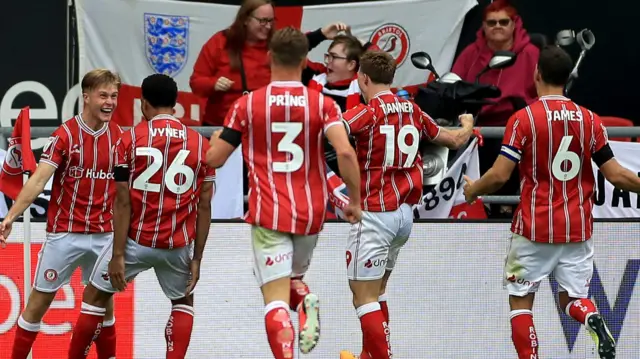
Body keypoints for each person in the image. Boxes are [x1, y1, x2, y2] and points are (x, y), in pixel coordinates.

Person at [462, 46, 640, 359]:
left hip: (533, 227)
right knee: (572, 299)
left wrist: (474, 189)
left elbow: (500, 175)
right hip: (576, 228)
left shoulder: (523, 120)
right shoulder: (591, 121)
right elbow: (617, 176)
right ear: (568, 78)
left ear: (537, 74)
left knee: (521, 302)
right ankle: (591, 317)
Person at [206, 27, 361, 359]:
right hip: (311, 213)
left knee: (273, 295)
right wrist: (355, 202)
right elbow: (346, 153)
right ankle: (305, 301)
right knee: (290, 279)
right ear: (306, 61)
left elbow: (215, 159)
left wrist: (216, 138)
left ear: (269, 57)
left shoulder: (247, 104)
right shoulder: (322, 104)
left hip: (269, 213)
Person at [66, 74, 215, 359]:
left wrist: (118, 255)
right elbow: (205, 205)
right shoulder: (200, 144)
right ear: (176, 104)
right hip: (177, 244)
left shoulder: (129, 139)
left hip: (135, 241)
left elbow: (122, 202)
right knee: (182, 301)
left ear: (143, 104)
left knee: (94, 298)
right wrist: (197, 258)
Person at [338, 51, 475, 359]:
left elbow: (334, 131)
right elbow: (453, 140)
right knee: (378, 292)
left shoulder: (368, 112)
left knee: (363, 298)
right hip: (404, 216)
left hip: (374, 213)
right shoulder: (412, 110)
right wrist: (467, 123)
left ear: (363, 78)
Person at [0, 69, 122, 359]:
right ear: (87, 97)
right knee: (37, 306)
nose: (110, 102)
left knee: (106, 309)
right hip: (65, 235)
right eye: (103, 95)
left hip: (105, 236)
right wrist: (10, 217)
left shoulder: (119, 137)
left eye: (114, 96)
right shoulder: (65, 135)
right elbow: (39, 179)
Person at [189, 0, 350, 126]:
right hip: (221, 127)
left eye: (271, 21)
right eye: (262, 21)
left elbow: (294, 46)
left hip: (264, 127)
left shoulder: (274, 42)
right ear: (245, 19)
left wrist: (321, 34)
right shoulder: (219, 42)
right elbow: (196, 83)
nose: (267, 26)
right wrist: (213, 84)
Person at [452, 0, 539, 218]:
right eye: (491, 22)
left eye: (503, 21)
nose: (497, 26)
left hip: (517, 131)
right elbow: (454, 86)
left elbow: (543, 95)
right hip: (475, 131)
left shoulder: (530, 53)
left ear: (514, 24)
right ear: (483, 26)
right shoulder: (470, 54)